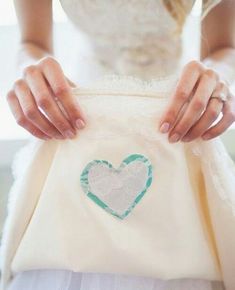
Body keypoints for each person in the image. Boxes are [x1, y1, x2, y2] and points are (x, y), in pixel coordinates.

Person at [1, 0, 235, 289]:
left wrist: (217, 79)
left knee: (176, 249)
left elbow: (223, 45)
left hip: (173, 122)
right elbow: (31, 42)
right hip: (76, 117)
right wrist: (32, 71)